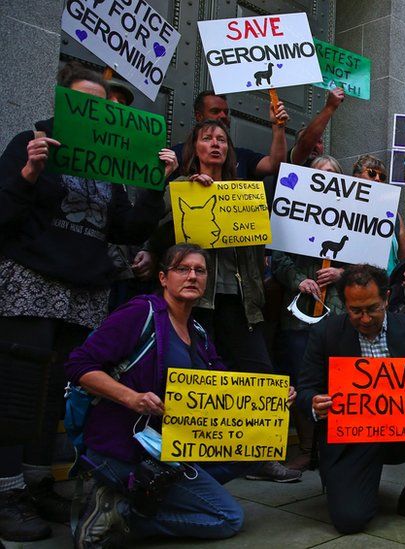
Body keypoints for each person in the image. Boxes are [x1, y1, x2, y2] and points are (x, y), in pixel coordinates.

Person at [0, 63, 171, 542]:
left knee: (57, 390)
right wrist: (30, 172)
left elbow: (126, 229)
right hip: (32, 283)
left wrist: (155, 186)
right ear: (64, 105)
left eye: (102, 106)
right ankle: (5, 491)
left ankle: (35, 483)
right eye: (85, 103)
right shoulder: (30, 143)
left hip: (84, 293)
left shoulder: (108, 168)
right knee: (19, 388)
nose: (95, 112)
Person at [66, 244, 294, 546]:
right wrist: (130, 398)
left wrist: (271, 401)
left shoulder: (197, 330)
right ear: (163, 278)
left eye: (200, 271)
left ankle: (136, 499)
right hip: (127, 448)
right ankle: (121, 515)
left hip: (171, 449)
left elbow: (224, 386)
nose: (192, 276)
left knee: (254, 447)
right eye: (182, 269)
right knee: (227, 518)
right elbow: (78, 365)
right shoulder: (140, 312)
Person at [149, 116, 301, 483]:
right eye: (206, 138)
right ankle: (190, 461)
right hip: (198, 303)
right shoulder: (181, 186)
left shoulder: (245, 192)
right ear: (194, 148)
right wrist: (190, 195)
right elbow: (162, 237)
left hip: (242, 299)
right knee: (195, 380)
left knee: (260, 373)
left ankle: (262, 458)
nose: (215, 144)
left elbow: (259, 243)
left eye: (221, 139)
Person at [296, 264, 405, 533]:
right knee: (350, 521)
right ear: (345, 304)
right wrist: (315, 403)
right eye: (355, 310)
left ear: (386, 298)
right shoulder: (326, 333)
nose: (364, 318)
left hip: (402, 433)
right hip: (351, 440)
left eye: (372, 308)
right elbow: (304, 390)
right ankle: (356, 483)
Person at [270, 155, 345, 470]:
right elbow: (277, 259)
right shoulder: (289, 214)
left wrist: (341, 273)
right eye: (318, 173)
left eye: (330, 173)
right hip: (299, 314)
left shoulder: (352, 218)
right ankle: (306, 446)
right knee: (302, 379)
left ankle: (335, 446)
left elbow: (368, 265)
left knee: (339, 379)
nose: (324, 177)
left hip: (339, 313)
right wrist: (299, 279)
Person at [168, 90, 287, 179]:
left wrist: (278, 126)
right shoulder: (177, 156)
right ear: (199, 116)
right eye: (215, 111)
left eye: (221, 140)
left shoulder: (241, 156)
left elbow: (275, 165)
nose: (223, 116)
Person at [351, 154, 405, 265]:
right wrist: (341, 272)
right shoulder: (345, 209)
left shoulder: (392, 214)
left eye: (382, 177)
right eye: (372, 173)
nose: (378, 179)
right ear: (356, 176)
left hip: (389, 280)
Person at [288, 88, 345, 167]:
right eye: (312, 140)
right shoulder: (291, 163)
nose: (314, 145)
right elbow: (306, 144)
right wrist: (330, 107)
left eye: (319, 142)